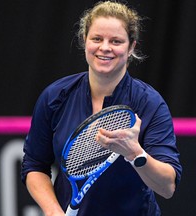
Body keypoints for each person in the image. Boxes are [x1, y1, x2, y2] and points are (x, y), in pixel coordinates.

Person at [21, 1, 182, 215]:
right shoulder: (55, 96)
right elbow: (34, 165)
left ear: (131, 46)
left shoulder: (149, 103)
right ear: (84, 40)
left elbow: (167, 186)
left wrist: (135, 153)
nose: (105, 47)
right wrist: (53, 211)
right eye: (97, 38)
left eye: (116, 41)